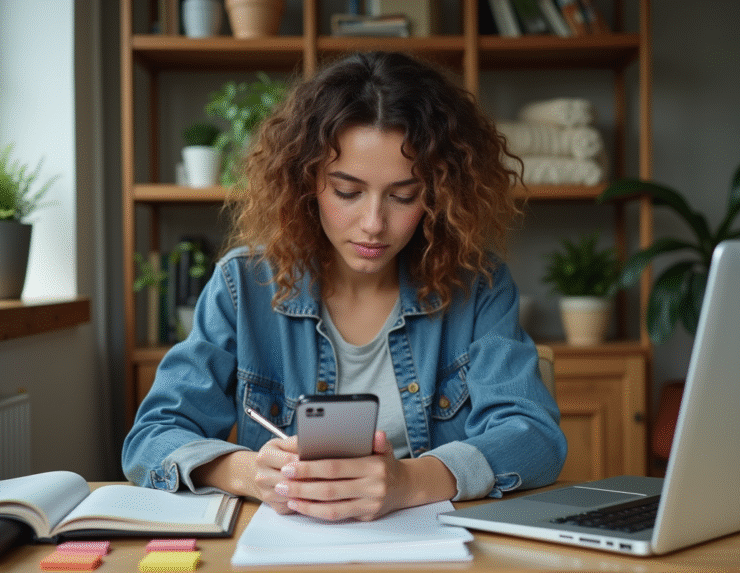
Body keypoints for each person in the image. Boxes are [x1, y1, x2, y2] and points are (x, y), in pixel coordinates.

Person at [122, 51, 567, 522]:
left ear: (437, 193)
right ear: (306, 181)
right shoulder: (242, 285)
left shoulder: (478, 286)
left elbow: (533, 437)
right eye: (347, 192)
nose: (374, 224)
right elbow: (153, 436)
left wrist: (410, 482)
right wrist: (250, 472)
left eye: (403, 195)